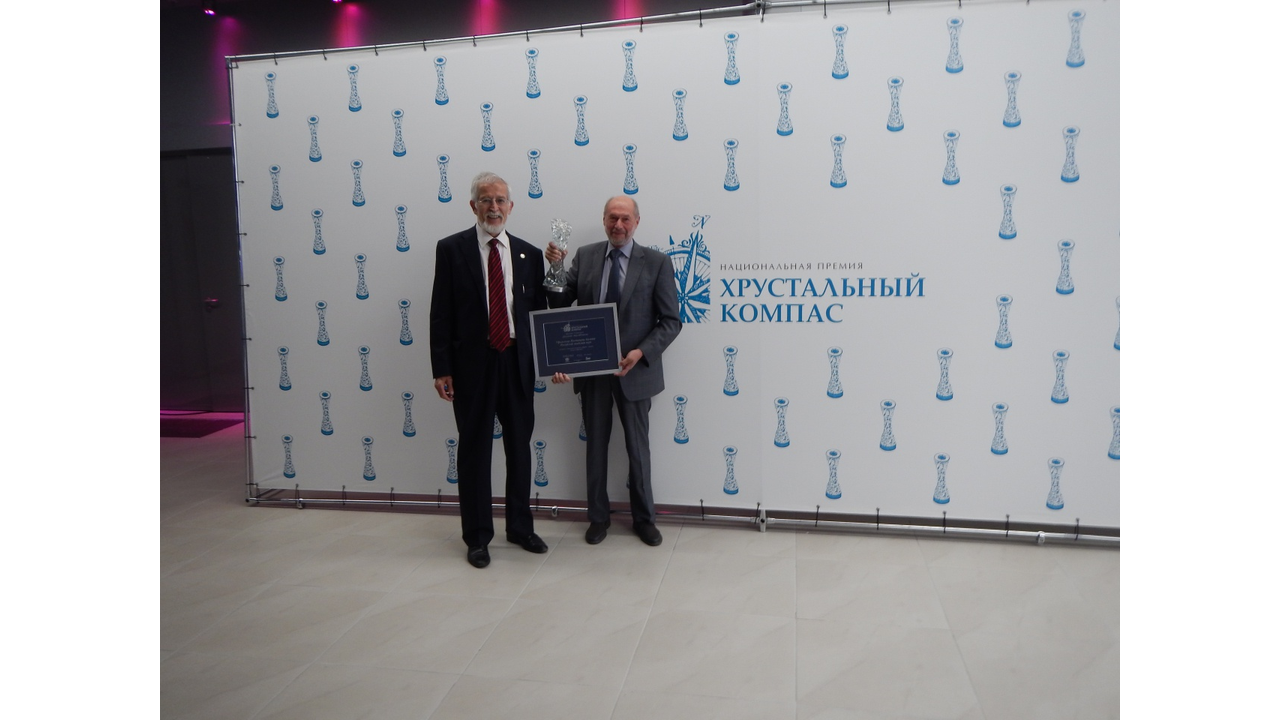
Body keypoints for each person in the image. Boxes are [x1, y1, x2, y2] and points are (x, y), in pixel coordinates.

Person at [546, 196, 682, 546]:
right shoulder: (586, 256)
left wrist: (641, 352)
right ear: (603, 219)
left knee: (638, 450)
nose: (618, 225)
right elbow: (559, 303)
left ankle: (644, 519)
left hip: (636, 373)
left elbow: (671, 321)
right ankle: (598, 518)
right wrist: (556, 268)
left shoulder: (657, 262)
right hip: (593, 374)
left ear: (636, 222)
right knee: (595, 448)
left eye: (624, 219)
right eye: (612, 218)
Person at [430, 172, 549, 568]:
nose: (493, 207)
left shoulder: (530, 254)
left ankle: (520, 527)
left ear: (511, 207)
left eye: (500, 200)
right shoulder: (451, 249)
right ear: (473, 206)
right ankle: (478, 536)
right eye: (486, 200)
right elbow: (441, 311)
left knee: (520, 449)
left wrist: (552, 361)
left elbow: (539, 314)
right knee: (474, 452)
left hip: (516, 363)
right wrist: (442, 368)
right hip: (472, 367)